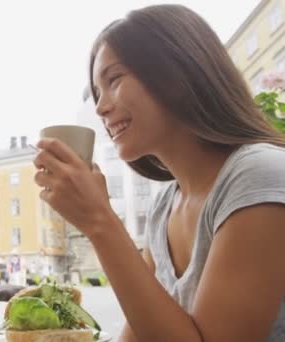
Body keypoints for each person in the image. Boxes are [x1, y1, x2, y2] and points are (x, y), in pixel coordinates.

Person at [33, 5, 285, 341]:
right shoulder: (164, 207)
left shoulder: (260, 175)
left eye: (114, 79)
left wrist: (98, 221)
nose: (100, 106)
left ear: (176, 74)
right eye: (97, 91)